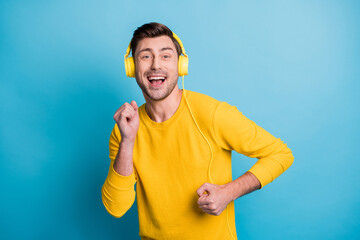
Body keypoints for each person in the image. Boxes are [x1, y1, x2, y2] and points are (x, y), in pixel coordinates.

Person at [101, 22, 294, 240]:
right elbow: (116, 207)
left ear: (181, 65)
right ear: (132, 67)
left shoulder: (212, 114)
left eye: (166, 56)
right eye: (146, 56)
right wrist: (127, 140)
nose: (156, 65)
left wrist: (228, 192)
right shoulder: (125, 129)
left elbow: (281, 154)